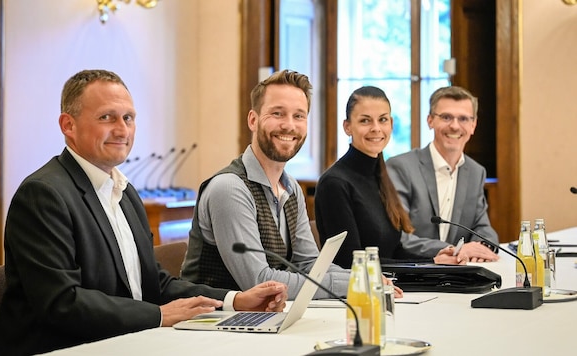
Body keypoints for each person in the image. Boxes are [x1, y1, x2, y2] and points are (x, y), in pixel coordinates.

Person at [0, 69, 288, 356]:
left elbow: (152, 282)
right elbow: (62, 302)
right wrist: (158, 315)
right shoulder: (43, 194)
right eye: (106, 117)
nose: (122, 130)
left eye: (128, 118)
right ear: (68, 125)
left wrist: (235, 300)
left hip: (131, 340)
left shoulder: (124, 192)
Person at [180, 70, 401, 300]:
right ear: (253, 120)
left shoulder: (292, 188)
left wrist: (366, 277)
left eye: (299, 116)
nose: (289, 125)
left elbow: (309, 264)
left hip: (264, 321)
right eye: (278, 113)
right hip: (210, 325)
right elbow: (259, 281)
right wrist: (354, 283)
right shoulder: (229, 189)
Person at [314, 86, 463, 269]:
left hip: (391, 287)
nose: (376, 128)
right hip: (357, 293)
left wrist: (434, 260)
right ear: (347, 127)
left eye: (382, 120)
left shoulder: (381, 176)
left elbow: (394, 250)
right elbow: (350, 263)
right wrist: (429, 263)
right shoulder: (334, 184)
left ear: (391, 124)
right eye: (365, 121)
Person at [386, 86, 499, 263]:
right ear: (430, 121)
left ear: (473, 125)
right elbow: (398, 236)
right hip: (414, 274)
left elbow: (483, 228)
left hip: (459, 274)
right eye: (446, 117)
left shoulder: (476, 172)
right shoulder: (401, 167)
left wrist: (483, 248)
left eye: (463, 119)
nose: (454, 126)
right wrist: (452, 250)